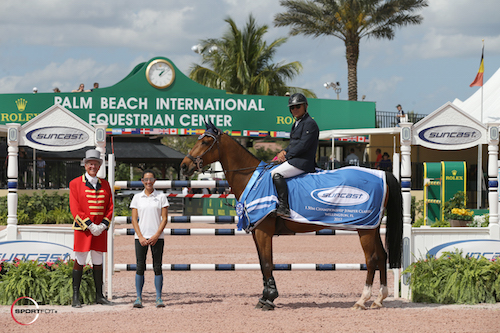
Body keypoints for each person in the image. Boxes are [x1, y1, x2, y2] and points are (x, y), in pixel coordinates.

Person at [69, 149, 113, 308]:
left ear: (99, 166)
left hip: (100, 230)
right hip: (83, 229)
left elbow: (110, 207)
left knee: (98, 261)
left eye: (95, 164)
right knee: (80, 260)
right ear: (85, 165)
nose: (93, 166)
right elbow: (75, 208)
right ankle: (75, 297)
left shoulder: (106, 184)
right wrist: (90, 225)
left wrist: (103, 225)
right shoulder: (74, 183)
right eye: (90, 164)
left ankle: (99, 296)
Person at [271, 93, 319, 217]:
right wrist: (281, 153)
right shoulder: (297, 123)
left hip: (303, 162)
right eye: (292, 107)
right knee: (270, 168)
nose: (295, 109)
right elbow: (293, 144)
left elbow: (303, 145)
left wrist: (286, 156)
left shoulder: (310, 123)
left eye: (298, 106)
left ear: (305, 106)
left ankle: (284, 207)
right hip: (295, 160)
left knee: (276, 174)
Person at [130, 170, 169, 308]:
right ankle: (138, 298)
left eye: (151, 179)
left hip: (157, 237)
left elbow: (164, 219)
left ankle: (158, 298)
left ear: (155, 180)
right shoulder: (137, 198)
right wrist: (140, 236)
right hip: (140, 237)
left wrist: (157, 235)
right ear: (142, 181)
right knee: (140, 266)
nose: (148, 182)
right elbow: (134, 219)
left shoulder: (161, 197)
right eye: (146, 179)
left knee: (157, 266)